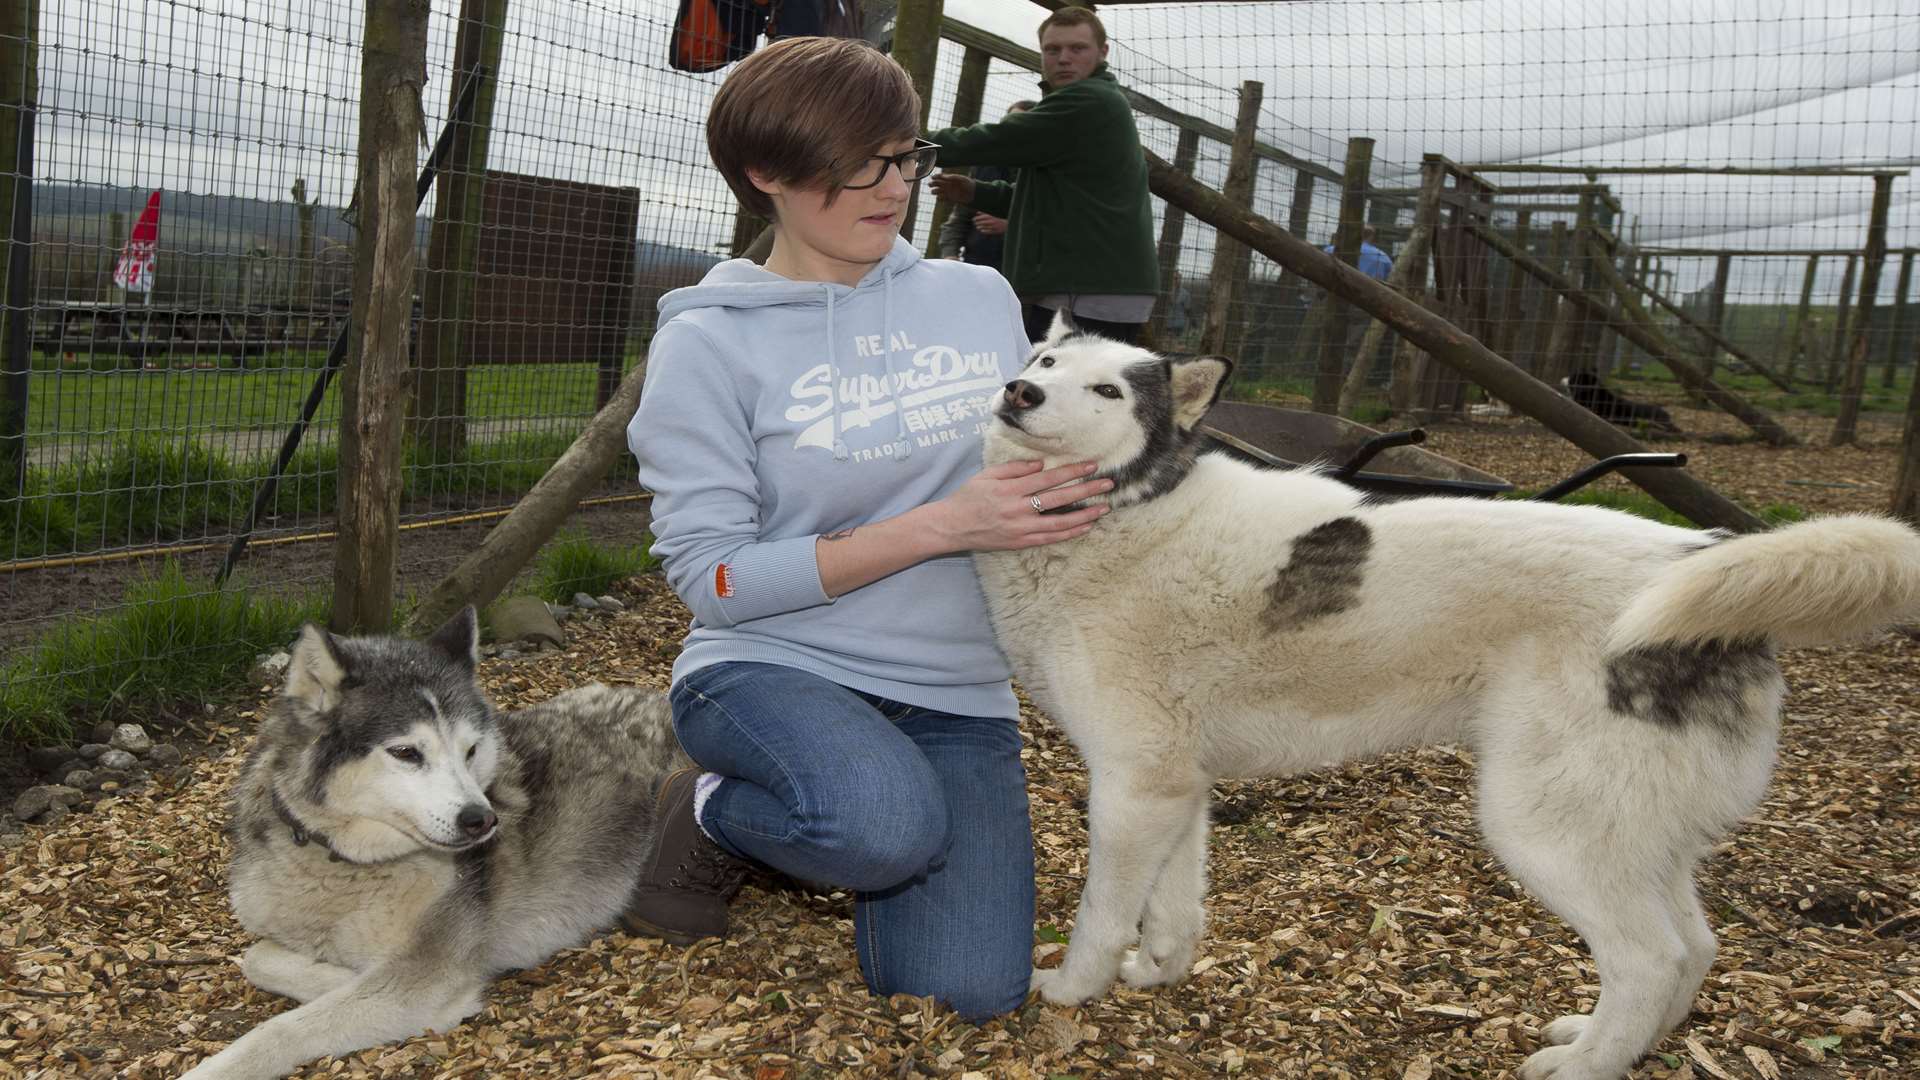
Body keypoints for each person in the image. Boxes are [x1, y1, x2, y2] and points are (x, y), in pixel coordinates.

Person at [623, 36, 1113, 1022]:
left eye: (906, 157)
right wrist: (939, 527)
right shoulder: (709, 344)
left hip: (955, 688)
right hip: (772, 668)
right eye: (859, 167)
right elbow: (711, 580)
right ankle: (711, 813)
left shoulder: (978, 297)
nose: (893, 189)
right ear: (767, 173)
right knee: (877, 825)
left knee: (970, 995)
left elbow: (1042, 456)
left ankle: (836, 812)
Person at [924, 6, 1158, 344]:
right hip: (1086, 285)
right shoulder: (1085, 105)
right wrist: (976, 192)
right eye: (1053, 49)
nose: (1064, 58)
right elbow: (1040, 200)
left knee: (1063, 392)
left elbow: (998, 139)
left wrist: (908, 143)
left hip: (1090, 289)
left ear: (1103, 52)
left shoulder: (1088, 101)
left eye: (1077, 48)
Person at [936, 101, 1034, 273]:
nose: (1010, 129)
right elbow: (958, 221)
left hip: (1021, 277)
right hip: (977, 269)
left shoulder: (1041, 171)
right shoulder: (983, 167)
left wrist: (1009, 227)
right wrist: (950, 257)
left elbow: (1058, 231)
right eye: (1007, 122)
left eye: (1018, 122)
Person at [1324, 224, 1394, 281]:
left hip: (1335, 291)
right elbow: (1389, 279)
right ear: (1371, 237)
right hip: (1370, 295)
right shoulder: (1383, 256)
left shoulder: (1330, 250)